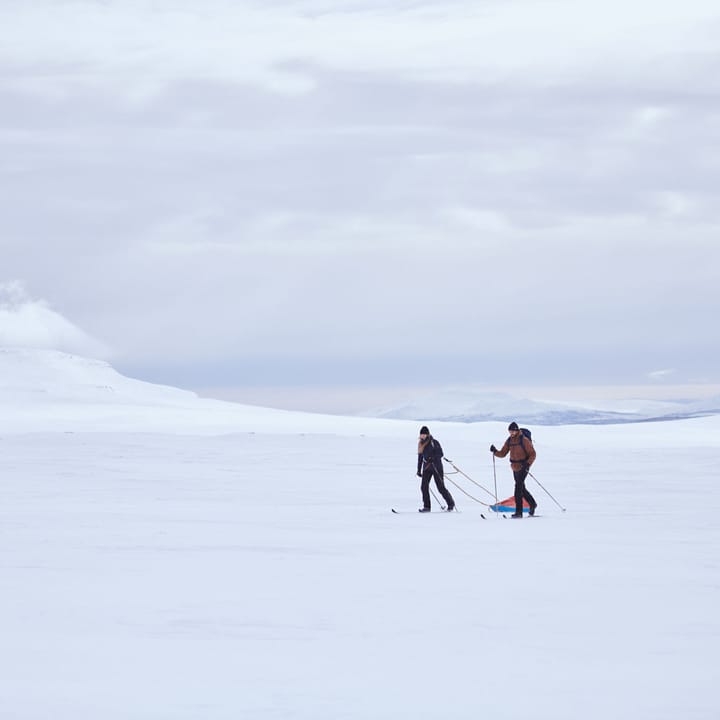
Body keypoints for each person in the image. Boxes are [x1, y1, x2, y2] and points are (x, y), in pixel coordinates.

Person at [491, 421, 537, 518]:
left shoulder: (524, 440)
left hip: (524, 467)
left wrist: (527, 464)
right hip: (515, 467)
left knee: (518, 489)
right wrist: (495, 451)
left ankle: (518, 512)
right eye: (510, 431)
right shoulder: (509, 440)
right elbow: (503, 453)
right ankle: (532, 504)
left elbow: (533, 454)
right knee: (522, 488)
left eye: (513, 431)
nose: (511, 433)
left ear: (517, 431)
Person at [417, 426, 455, 512]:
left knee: (440, 487)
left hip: (436, 467)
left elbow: (440, 454)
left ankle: (451, 504)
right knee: (424, 487)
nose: (422, 436)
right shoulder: (420, 444)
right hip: (426, 468)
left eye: (424, 434)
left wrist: (433, 458)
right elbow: (420, 458)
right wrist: (418, 470)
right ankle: (427, 507)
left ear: (427, 434)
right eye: (421, 434)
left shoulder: (434, 442)